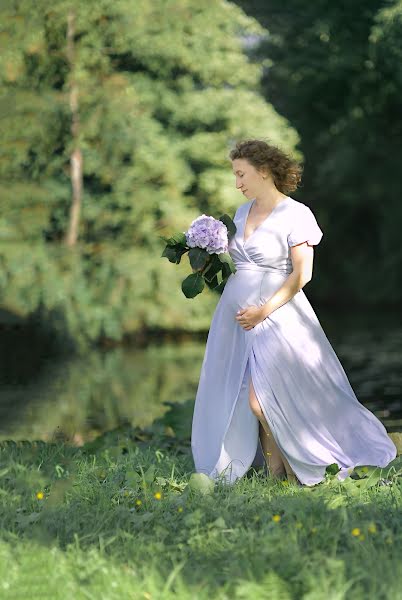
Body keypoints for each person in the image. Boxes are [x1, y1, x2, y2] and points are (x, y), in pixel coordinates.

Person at [191, 139, 397, 487]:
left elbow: (302, 274)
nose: (237, 183)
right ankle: (276, 475)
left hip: (277, 317)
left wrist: (262, 311)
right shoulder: (242, 213)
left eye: (241, 174)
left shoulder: (296, 214)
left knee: (261, 401)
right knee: (246, 399)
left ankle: (300, 466)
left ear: (264, 170)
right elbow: (242, 265)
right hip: (237, 318)